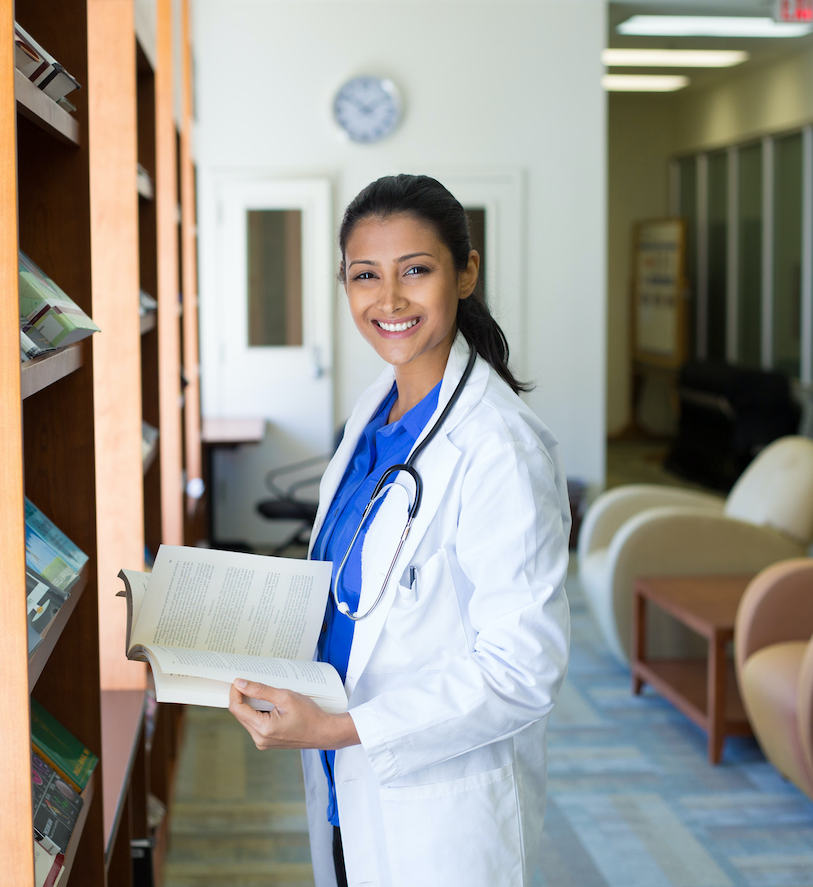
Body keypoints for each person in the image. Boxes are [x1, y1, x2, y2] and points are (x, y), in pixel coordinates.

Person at [228, 174, 571, 887]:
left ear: (467, 272)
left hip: (436, 809)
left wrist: (341, 728)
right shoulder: (373, 413)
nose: (388, 300)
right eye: (365, 275)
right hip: (343, 779)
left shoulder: (498, 447)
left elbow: (522, 667)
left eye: (415, 270)